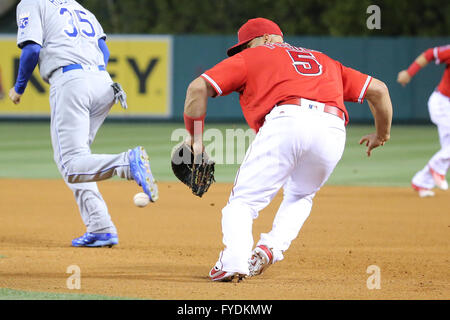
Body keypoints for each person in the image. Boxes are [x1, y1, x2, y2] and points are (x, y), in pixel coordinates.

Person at [182, 18, 392, 282]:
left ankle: (234, 260)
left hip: (287, 119)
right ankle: (270, 248)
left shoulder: (254, 56)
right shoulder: (324, 60)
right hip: (333, 128)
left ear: (267, 39)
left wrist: (196, 139)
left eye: (246, 45)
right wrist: (382, 134)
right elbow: (379, 90)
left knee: (244, 202)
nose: (243, 51)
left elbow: (197, 88)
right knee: (301, 195)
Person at [8, 0, 158, 247]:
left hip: (71, 80)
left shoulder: (30, 2)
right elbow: (104, 50)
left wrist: (19, 87)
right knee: (78, 159)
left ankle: (127, 163)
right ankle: (100, 227)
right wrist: (91, 75)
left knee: (71, 165)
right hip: (103, 81)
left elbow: (32, 50)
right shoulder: (79, 7)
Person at [397, 45, 450, 197]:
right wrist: (409, 72)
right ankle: (436, 168)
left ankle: (422, 182)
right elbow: (429, 54)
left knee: (448, 150)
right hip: (442, 103)